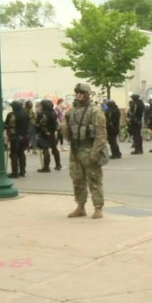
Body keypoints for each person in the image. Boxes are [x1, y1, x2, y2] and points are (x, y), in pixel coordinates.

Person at [63, 83, 107, 219]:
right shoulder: (72, 112)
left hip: (89, 148)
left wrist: (96, 152)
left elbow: (101, 134)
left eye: (81, 93)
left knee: (94, 179)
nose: (79, 96)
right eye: (77, 93)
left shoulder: (95, 111)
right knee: (77, 179)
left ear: (87, 95)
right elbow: (67, 129)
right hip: (75, 149)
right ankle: (80, 206)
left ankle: (98, 207)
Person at [5, 100, 30, 178]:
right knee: (21, 153)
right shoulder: (25, 114)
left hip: (15, 136)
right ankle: (22, 171)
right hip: (25, 136)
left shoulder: (12, 115)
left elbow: (7, 124)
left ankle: (14, 172)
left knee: (14, 154)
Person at [36, 99, 61, 172]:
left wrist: (37, 129)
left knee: (45, 149)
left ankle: (46, 167)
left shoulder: (42, 114)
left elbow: (38, 124)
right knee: (54, 149)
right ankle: (58, 164)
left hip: (44, 133)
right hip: (53, 133)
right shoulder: (53, 113)